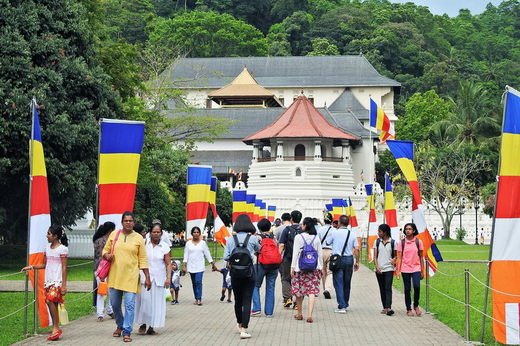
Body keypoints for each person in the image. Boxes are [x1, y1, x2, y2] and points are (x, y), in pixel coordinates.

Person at [103, 211, 151, 343]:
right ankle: (120, 325)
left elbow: (143, 259)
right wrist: (107, 256)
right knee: (115, 304)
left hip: (131, 277)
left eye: (130, 221)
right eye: (126, 221)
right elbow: (104, 251)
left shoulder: (138, 238)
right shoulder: (114, 234)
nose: (128, 223)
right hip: (115, 276)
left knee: (129, 305)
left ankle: (127, 330)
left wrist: (147, 277)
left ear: (134, 222)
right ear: (122, 222)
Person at [22, 225, 69, 341]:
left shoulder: (63, 249)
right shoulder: (47, 248)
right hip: (48, 280)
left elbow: (64, 267)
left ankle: (55, 326)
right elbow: (44, 264)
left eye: (49, 234)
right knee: (51, 302)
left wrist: (64, 285)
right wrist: (31, 267)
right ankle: (56, 327)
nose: (46, 236)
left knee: (49, 300)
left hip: (57, 280)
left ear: (55, 236)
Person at [223, 214, 261, 339]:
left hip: (235, 273)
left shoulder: (230, 239)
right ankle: (244, 329)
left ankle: (239, 324)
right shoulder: (253, 238)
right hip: (250, 273)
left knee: (238, 300)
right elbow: (259, 250)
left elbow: (225, 257)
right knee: (247, 300)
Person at [135, 223, 171, 335]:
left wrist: (168, 278)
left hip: (159, 279)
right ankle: (143, 324)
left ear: (161, 233)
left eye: (158, 232)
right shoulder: (144, 243)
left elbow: (168, 263)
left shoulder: (165, 246)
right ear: (150, 233)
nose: (156, 234)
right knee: (144, 301)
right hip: (145, 278)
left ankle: (152, 327)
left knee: (156, 304)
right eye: (154, 232)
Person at [290, 217, 323, 323]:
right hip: (314, 268)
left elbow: (295, 253)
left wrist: (292, 267)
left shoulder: (298, 237)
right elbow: (319, 254)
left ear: (305, 226)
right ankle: (309, 315)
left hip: (300, 268)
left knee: (299, 291)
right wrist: (321, 267)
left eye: (302, 224)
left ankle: (299, 314)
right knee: (312, 291)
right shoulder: (316, 238)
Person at [328, 215, 359, 313]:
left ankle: (341, 305)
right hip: (349, 259)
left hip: (338, 260)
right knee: (347, 282)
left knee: (338, 282)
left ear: (339, 223)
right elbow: (357, 249)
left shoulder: (334, 233)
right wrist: (357, 261)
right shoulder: (352, 234)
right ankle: (345, 303)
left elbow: (328, 242)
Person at [182, 226, 217, 305]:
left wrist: (212, 264)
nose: (196, 234)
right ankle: (196, 297)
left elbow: (207, 254)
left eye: (197, 232)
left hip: (200, 266)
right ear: (192, 233)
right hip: (191, 266)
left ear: (200, 234)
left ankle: (199, 299)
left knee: (198, 281)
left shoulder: (203, 243)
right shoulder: (188, 243)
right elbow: (185, 255)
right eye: (194, 232)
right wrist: (184, 265)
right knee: (194, 283)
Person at [396, 222, 425, 317]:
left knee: (417, 286)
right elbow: (399, 257)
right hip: (405, 268)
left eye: (409, 229)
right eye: (406, 229)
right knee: (407, 289)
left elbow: (421, 257)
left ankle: (416, 305)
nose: (407, 230)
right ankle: (408, 308)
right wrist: (398, 270)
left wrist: (422, 270)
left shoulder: (418, 242)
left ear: (414, 230)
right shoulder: (402, 243)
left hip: (416, 268)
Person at [252, 218, 279, 317]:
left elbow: (256, 251)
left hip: (260, 264)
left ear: (259, 228)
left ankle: (256, 308)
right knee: (270, 288)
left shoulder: (257, 238)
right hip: (274, 265)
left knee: (255, 285)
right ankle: (269, 312)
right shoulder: (274, 237)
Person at [278, 210, 302, 309]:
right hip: (300, 259)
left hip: (288, 257)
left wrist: (278, 256)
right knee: (299, 279)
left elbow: (282, 245)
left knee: (286, 278)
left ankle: (287, 298)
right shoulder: (303, 230)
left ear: (291, 219)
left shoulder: (287, 229)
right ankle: (297, 303)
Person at [93, 222, 115, 321]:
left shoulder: (100, 240)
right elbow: (100, 257)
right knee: (102, 292)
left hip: (106, 269)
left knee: (109, 291)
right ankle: (100, 313)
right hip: (102, 269)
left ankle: (109, 310)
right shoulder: (103, 241)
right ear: (110, 230)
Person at [373, 224, 396, 316]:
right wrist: (377, 266)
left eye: (380, 231)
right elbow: (375, 256)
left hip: (389, 268)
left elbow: (395, 255)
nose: (378, 233)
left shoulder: (393, 242)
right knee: (382, 288)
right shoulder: (377, 242)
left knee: (388, 288)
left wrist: (394, 260)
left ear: (385, 232)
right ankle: (384, 307)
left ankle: (388, 307)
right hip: (379, 268)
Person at [317, 213, 334, 299]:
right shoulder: (334, 230)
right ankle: (327, 289)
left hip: (321, 251)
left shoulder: (320, 229)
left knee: (323, 271)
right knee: (330, 271)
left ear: (324, 220)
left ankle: (324, 289)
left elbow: (317, 241)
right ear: (332, 221)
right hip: (331, 251)